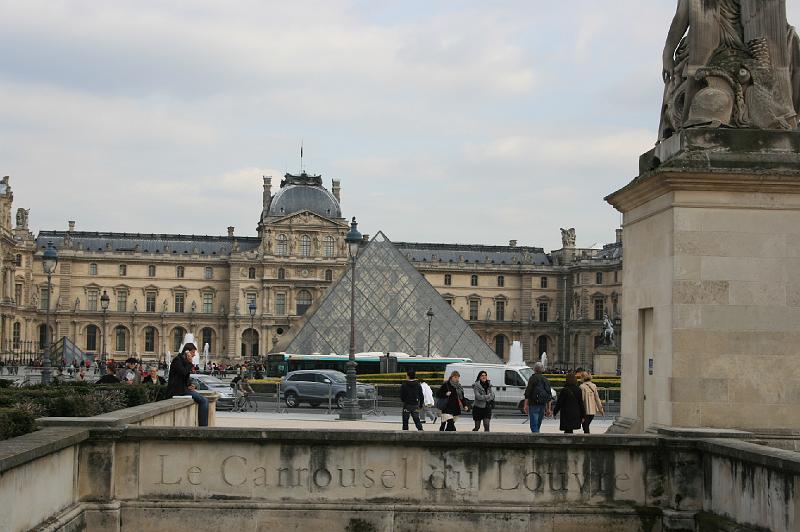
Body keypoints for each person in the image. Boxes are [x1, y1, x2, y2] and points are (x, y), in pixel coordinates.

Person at [166, 343, 209, 427]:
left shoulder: (182, 361)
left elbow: (184, 377)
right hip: (177, 390)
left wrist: (190, 385)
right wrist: (190, 363)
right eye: (193, 352)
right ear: (187, 352)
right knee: (204, 401)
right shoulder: (177, 360)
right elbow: (183, 372)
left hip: (183, 389)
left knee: (203, 400)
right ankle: (203, 427)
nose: (194, 354)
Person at [523, 362, 552, 433]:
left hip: (533, 403)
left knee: (534, 425)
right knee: (538, 424)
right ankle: (537, 436)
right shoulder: (545, 379)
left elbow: (528, 392)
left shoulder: (532, 378)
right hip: (542, 404)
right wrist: (548, 408)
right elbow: (549, 395)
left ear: (534, 369)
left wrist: (525, 404)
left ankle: (536, 439)